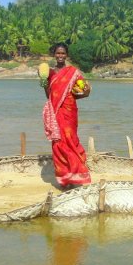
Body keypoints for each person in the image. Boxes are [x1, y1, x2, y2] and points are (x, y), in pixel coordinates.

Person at [42, 43, 92, 189]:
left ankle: (77, 176)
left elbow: (82, 92)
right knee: (58, 143)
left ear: (66, 55)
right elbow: (49, 96)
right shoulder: (50, 73)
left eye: (63, 53)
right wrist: (44, 82)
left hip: (69, 111)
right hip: (56, 112)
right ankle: (65, 178)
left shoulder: (74, 72)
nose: (60, 56)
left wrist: (87, 90)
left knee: (70, 141)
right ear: (54, 55)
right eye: (58, 53)